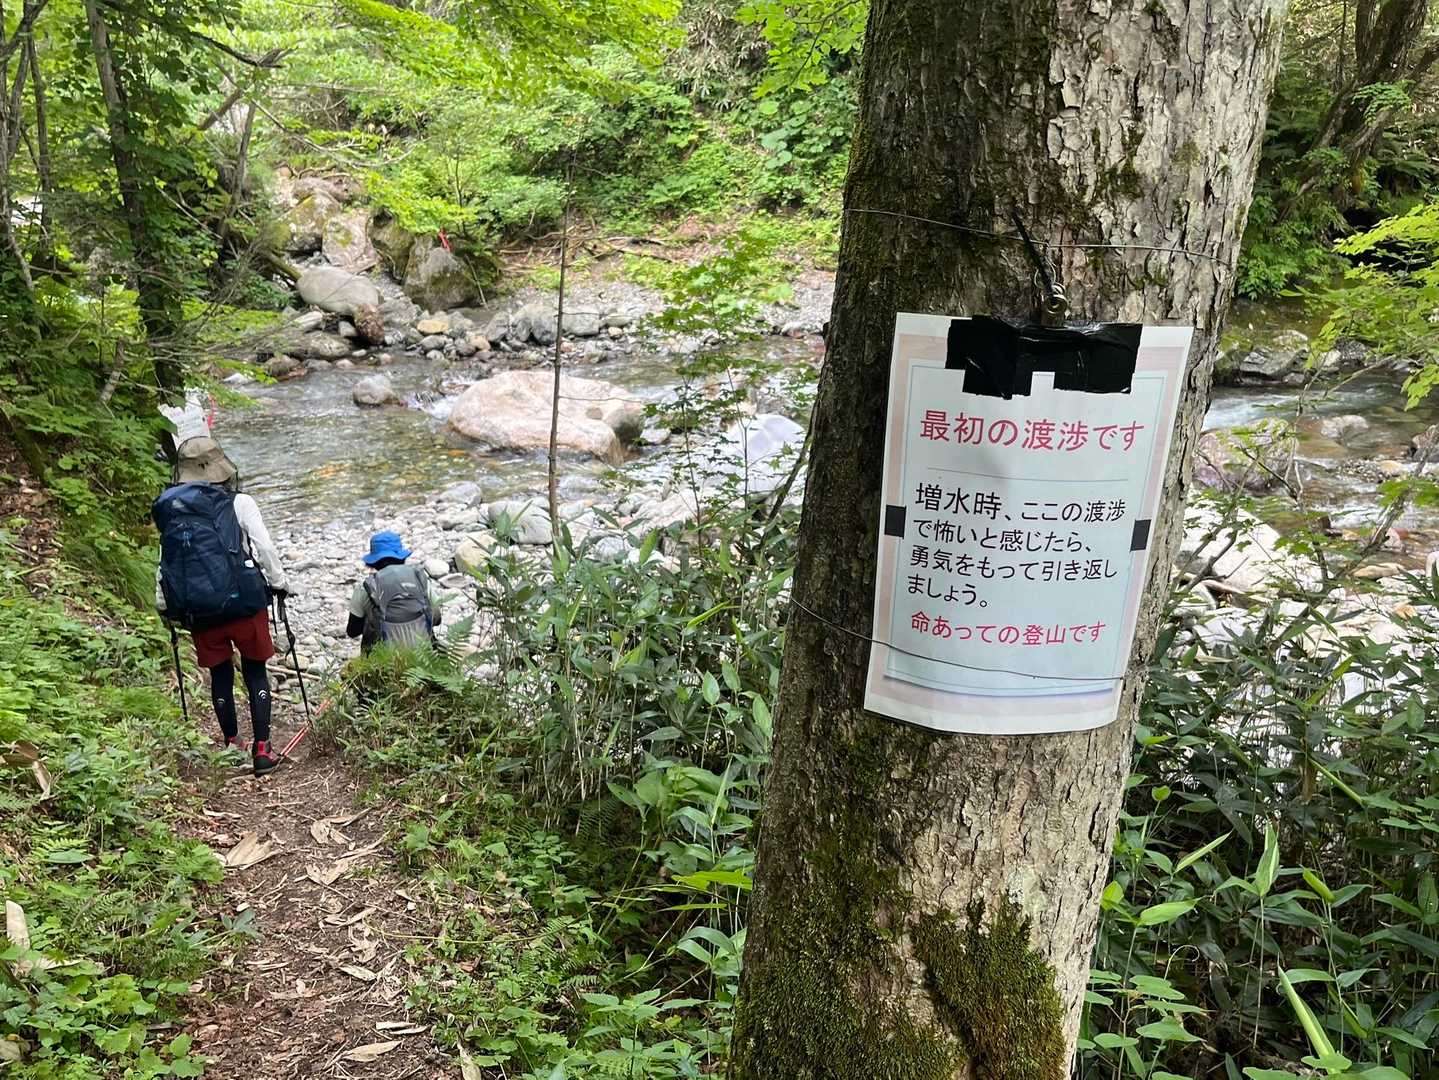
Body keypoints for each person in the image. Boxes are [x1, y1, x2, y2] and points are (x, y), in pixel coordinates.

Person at [153, 438, 290, 777]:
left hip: (198, 607)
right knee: (255, 670)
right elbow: (264, 547)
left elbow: (165, 562)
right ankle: (262, 750)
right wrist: (279, 582)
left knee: (220, 675)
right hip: (243, 603)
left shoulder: (171, 509)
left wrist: (163, 603)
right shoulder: (240, 502)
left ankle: (232, 745)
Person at [346, 531, 442, 653]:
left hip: (383, 661)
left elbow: (352, 632)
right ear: (401, 556)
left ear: (374, 560)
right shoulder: (420, 579)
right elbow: (437, 619)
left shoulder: (365, 588)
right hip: (425, 658)